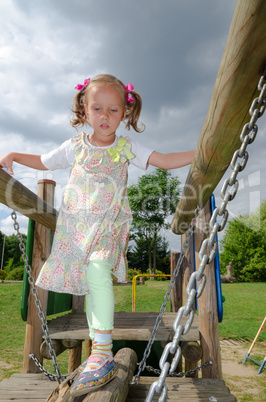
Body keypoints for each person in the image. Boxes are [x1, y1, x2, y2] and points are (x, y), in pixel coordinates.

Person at [0, 74, 195, 397]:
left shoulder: (126, 146)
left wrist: (202, 151)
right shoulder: (74, 146)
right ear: (85, 111)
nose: (105, 117)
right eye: (98, 109)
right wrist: (14, 156)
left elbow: (163, 160)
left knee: (98, 271)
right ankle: (97, 351)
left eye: (114, 110)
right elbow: (44, 161)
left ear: (126, 113)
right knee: (90, 281)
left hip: (108, 226)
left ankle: (102, 352)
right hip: (77, 229)